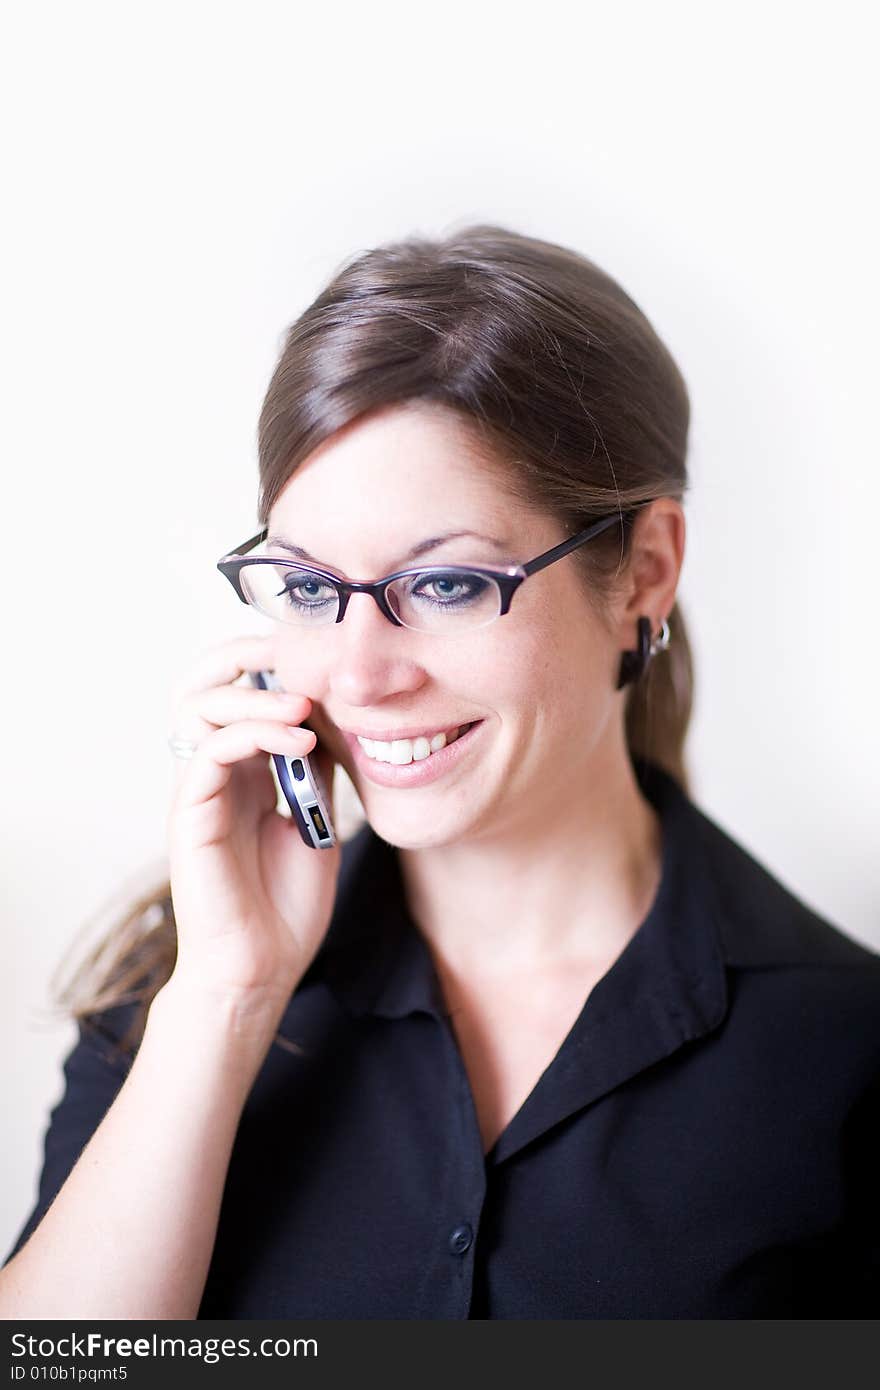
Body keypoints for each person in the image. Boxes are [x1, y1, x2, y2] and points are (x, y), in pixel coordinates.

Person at [1, 224, 878, 1320]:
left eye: (449, 585)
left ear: (643, 572)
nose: (361, 676)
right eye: (313, 589)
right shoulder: (178, 992)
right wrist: (226, 1002)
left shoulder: (841, 1045)